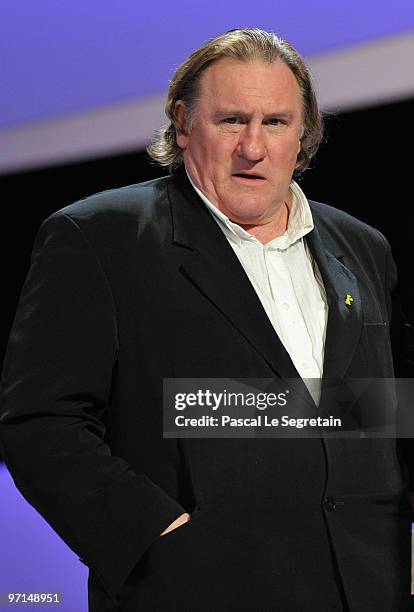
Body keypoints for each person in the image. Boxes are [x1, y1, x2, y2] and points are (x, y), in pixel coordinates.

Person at [0, 28, 413, 612]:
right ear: (183, 123)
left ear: (304, 134)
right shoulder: (100, 237)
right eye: (231, 120)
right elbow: (40, 420)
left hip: (367, 584)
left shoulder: (363, 245)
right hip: (197, 586)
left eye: (275, 122)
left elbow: (381, 409)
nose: (253, 146)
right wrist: (151, 535)